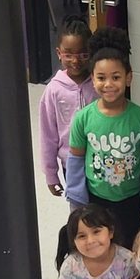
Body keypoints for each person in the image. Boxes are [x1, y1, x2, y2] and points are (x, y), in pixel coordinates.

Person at [67, 27, 140, 248]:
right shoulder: (83, 118)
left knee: (127, 250)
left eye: (116, 77)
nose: (108, 84)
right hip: (95, 199)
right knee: (100, 249)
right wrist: (77, 203)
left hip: (131, 201)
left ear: (129, 78)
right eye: (101, 78)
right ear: (92, 79)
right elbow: (76, 161)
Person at [39, 16, 96, 203]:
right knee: (79, 211)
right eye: (68, 54)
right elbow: (48, 135)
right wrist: (51, 174)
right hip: (70, 163)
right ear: (58, 53)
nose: (75, 61)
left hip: (102, 159)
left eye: (83, 54)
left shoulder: (99, 84)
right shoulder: (53, 90)